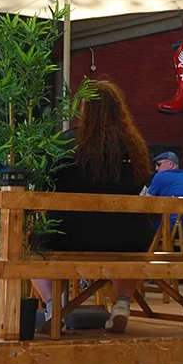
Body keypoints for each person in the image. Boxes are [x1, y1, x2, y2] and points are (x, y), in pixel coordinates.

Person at [40, 80, 153, 332]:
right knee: (131, 243)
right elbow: (143, 182)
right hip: (127, 236)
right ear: (120, 110)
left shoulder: (66, 143)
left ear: (85, 109)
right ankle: (122, 304)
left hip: (71, 233)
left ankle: (53, 307)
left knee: (30, 245)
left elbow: (48, 180)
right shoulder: (135, 148)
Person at [143, 149, 183, 244]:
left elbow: (147, 203)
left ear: (170, 164)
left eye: (159, 164)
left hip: (174, 229)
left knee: (147, 223)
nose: (156, 169)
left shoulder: (160, 176)